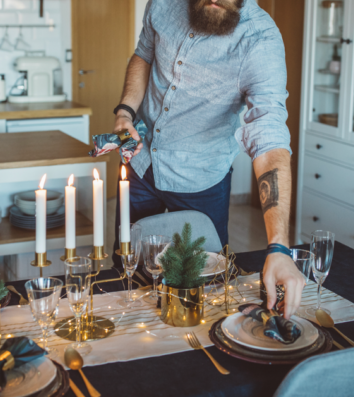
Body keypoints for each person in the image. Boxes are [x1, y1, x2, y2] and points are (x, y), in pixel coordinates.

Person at [112, 0, 305, 318]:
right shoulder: (162, 4)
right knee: (129, 275)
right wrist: (125, 113)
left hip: (202, 180)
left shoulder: (259, 41)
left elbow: (269, 142)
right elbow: (143, 55)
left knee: (203, 291)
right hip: (140, 160)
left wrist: (279, 247)